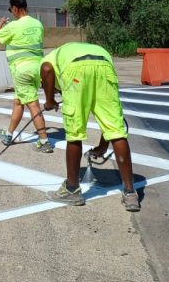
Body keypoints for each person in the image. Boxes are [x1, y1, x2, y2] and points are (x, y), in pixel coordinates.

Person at [41, 42, 140, 211]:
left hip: (76, 71)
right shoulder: (66, 51)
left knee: (74, 132)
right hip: (104, 65)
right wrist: (102, 146)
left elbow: (46, 70)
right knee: (115, 128)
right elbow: (107, 123)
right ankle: (130, 193)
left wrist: (49, 100)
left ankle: (72, 189)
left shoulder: (48, 59)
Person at [0, 0, 53, 153]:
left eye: (11, 10)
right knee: (19, 102)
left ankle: (44, 141)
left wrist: (0, 23)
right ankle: (8, 135)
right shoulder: (38, 24)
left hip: (22, 70)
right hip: (37, 68)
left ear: (15, 9)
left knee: (33, 104)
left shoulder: (13, 26)